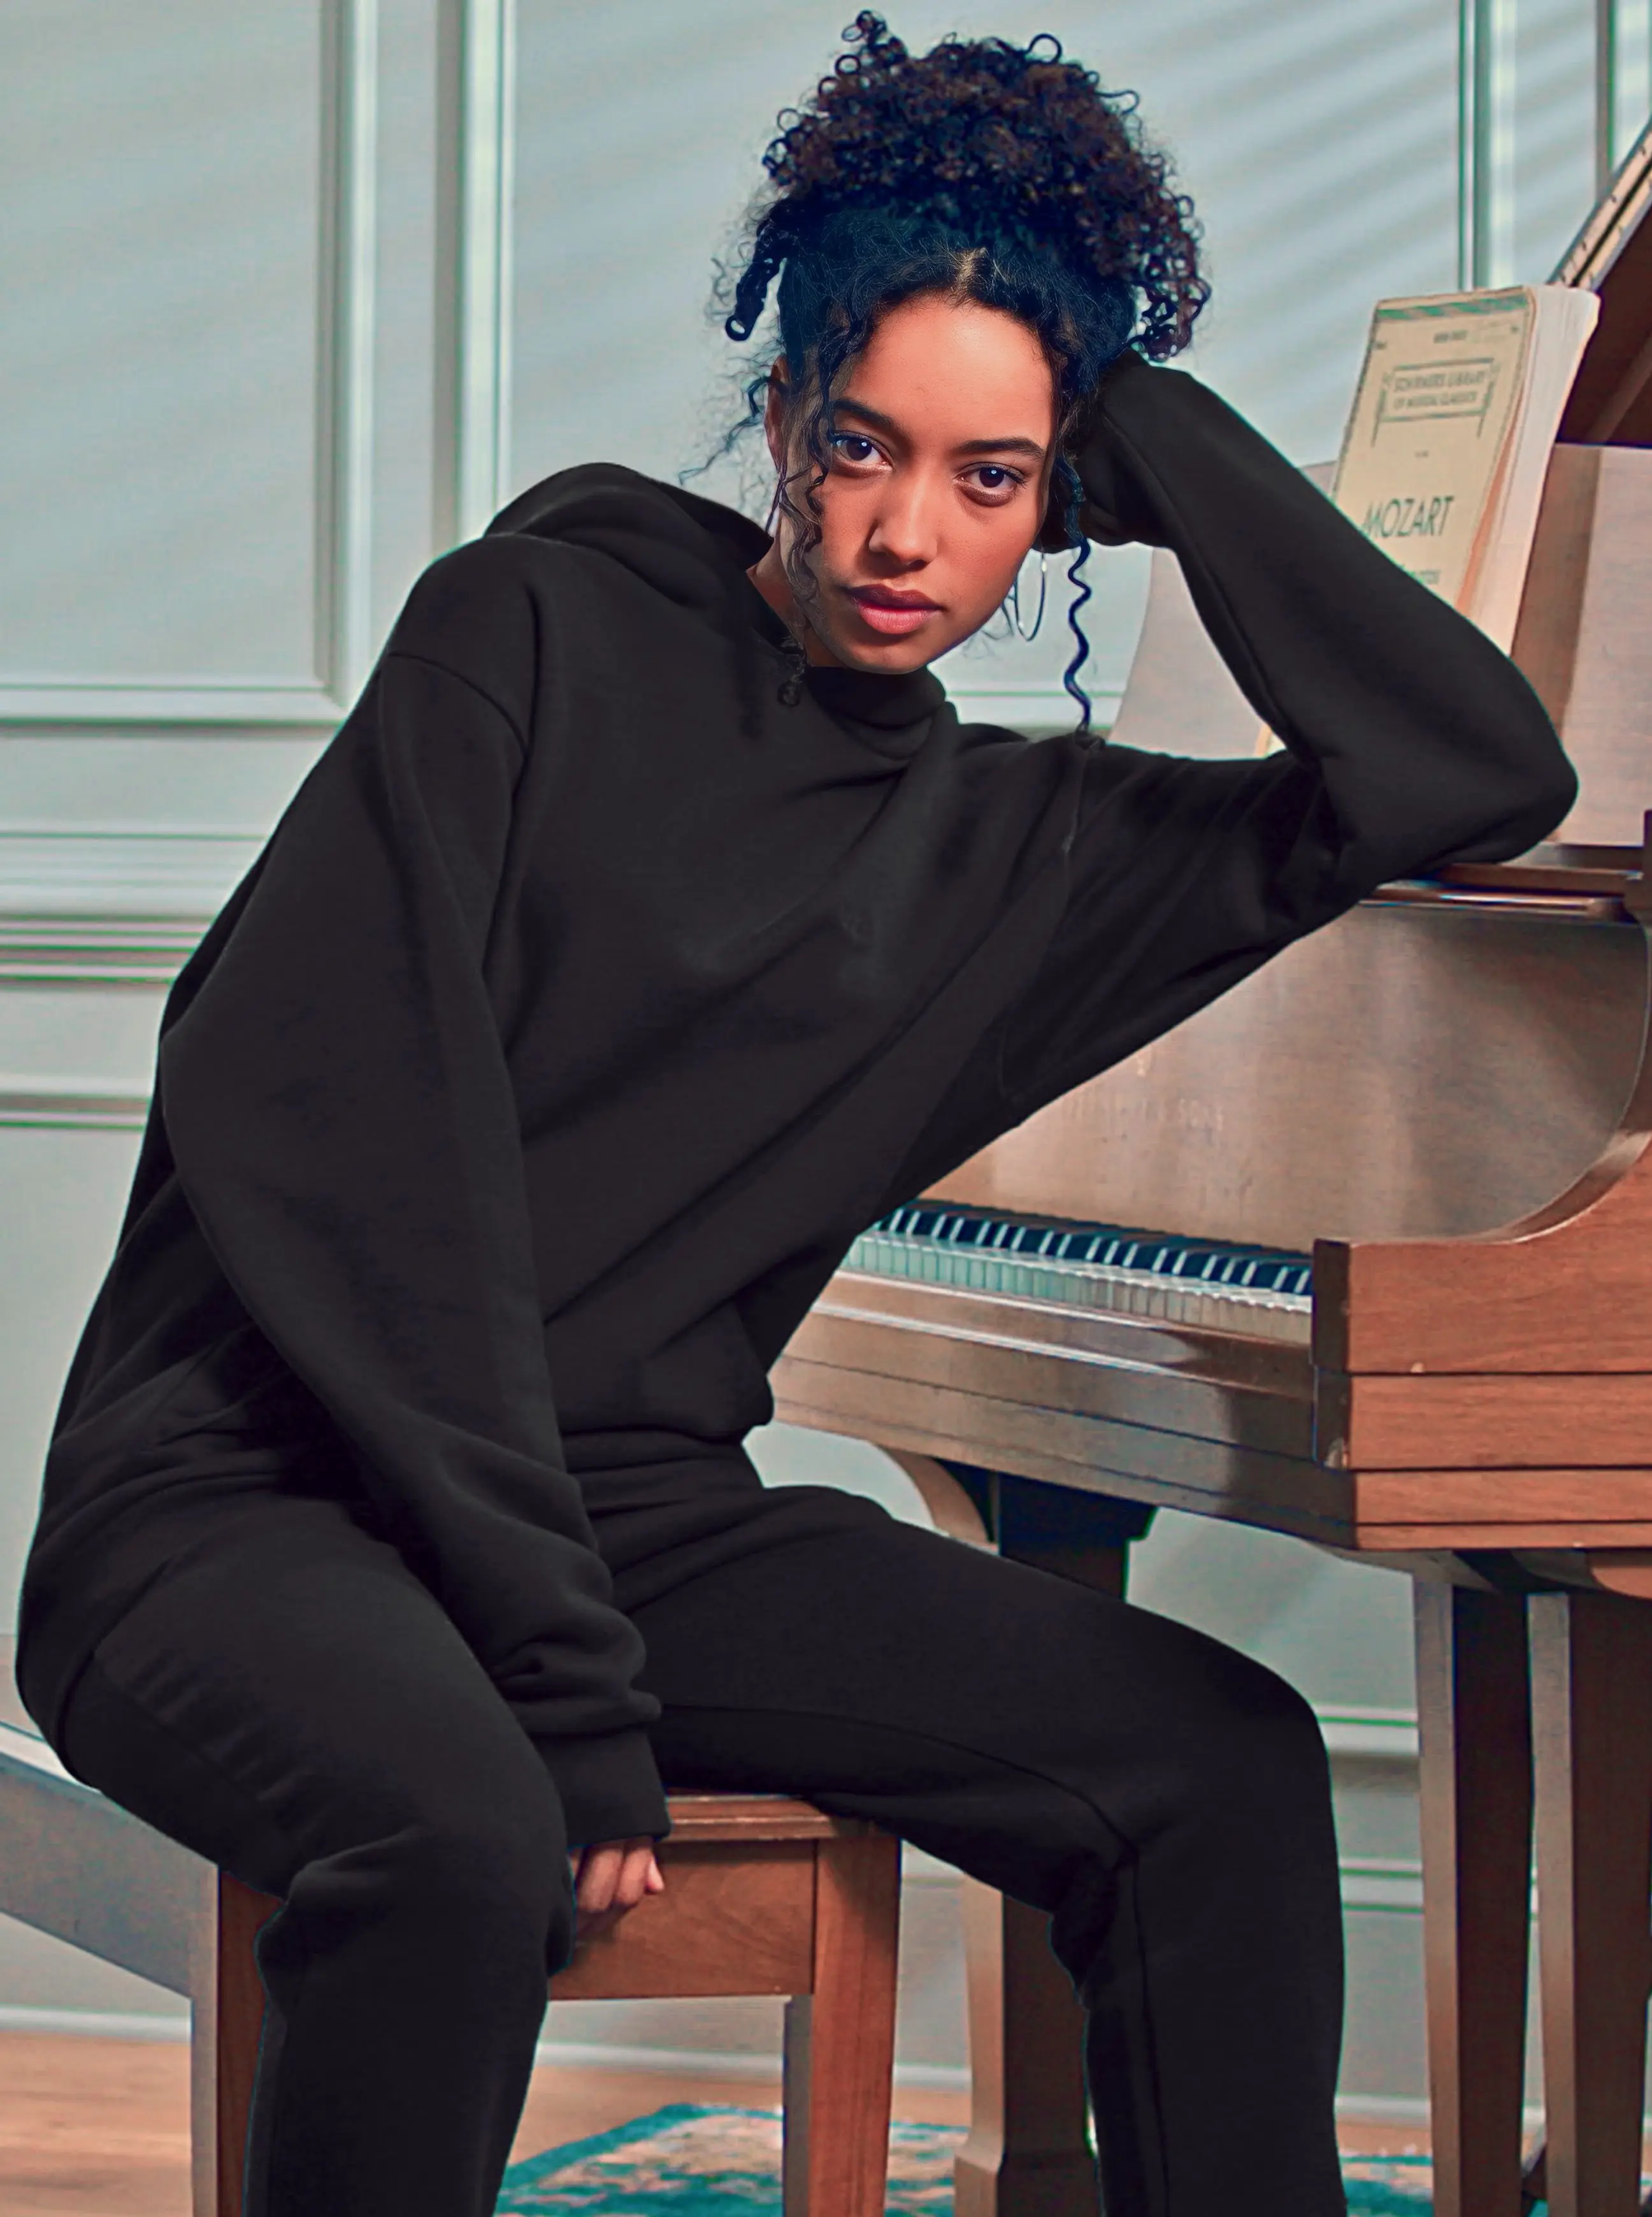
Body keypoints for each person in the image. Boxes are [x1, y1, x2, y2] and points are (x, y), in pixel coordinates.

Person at [14, 16, 1573, 2217]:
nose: (906, 529)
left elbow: (1472, 775)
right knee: (460, 1841)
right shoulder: (523, 634)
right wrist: (565, 1680)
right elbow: (363, 1170)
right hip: (243, 1500)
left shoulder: (1020, 854)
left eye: (993, 477)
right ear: (781, 414)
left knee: (1218, 1764)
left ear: (1065, 500)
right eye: (863, 444)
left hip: (622, 1522)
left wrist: (1153, 422)